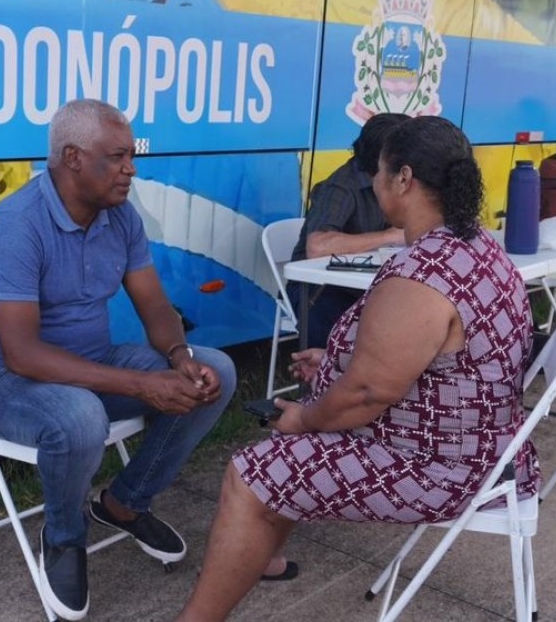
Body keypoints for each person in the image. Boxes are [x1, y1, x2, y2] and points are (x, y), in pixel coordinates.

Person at [176, 116, 535, 621]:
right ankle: (259, 554)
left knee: (249, 473)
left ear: (404, 179)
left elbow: (366, 394)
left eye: (381, 171)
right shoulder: (478, 244)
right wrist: (336, 361)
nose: (373, 181)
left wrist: (306, 416)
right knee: (283, 453)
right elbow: (441, 361)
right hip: (491, 449)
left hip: (443, 468)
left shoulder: (422, 273)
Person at [0, 99, 236, 621]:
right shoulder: (16, 226)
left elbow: (155, 306)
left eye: (131, 155)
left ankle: (123, 505)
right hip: (4, 382)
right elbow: (21, 355)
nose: (131, 168)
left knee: (213, 372)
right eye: (117, 157)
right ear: (73, 158)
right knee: (79, 417)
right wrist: (140, 385)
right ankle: (64, 537)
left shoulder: (120, 217)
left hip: (91, 362)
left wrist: (179, 357)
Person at [287, 112, 409, 348]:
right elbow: (317, 246)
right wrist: (389, 236)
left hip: (360, 285)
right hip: (317, 292)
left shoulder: (393, 184)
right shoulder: (342, 186)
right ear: (384, 157)